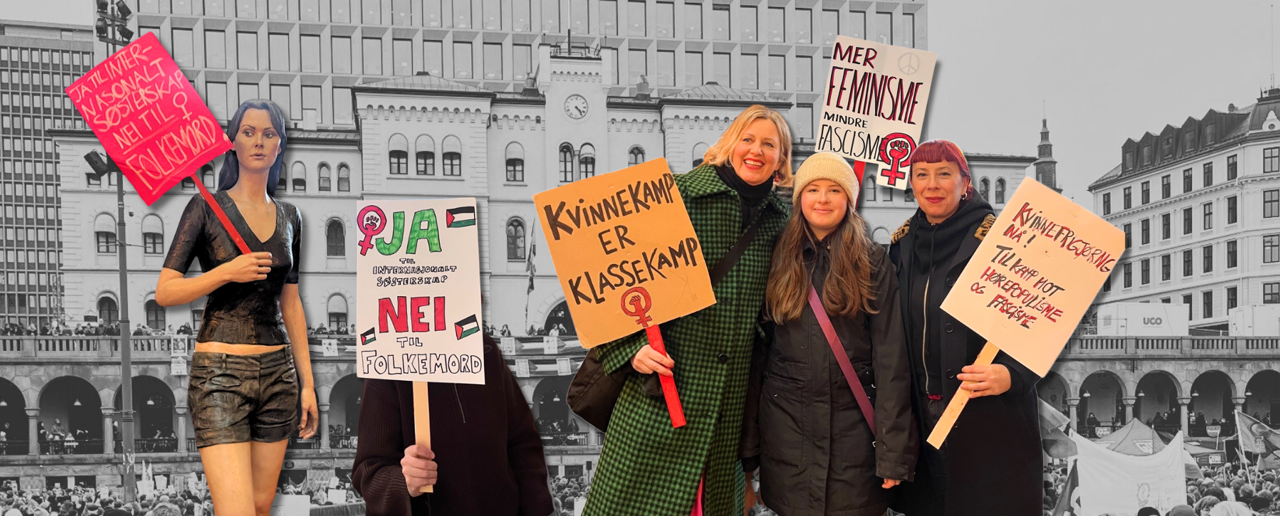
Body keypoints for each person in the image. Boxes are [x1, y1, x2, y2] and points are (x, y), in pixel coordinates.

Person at [583, 104, 793, 515]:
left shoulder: (779, 222)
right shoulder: (675, 195)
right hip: (660, 394)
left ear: (780, 160)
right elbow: (603, 280)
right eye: (748, 139)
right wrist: (630, 349)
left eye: (769, 144)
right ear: (729, 145)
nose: (756, 151)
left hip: (726, 409)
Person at [156, 99, 318, 516]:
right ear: (232, 142)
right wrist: (226, 271)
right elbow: (166, 292)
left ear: (280, 145)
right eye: (248, 132)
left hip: (279, 373)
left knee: (261, 507)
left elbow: (291, 303)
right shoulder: (204, 207)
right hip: (219, 373)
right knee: (237, 511)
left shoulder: (291, 217)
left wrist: (308, 383)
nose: (258, 141)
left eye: (269, 133)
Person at [754, 152, 915, 515]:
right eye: (812, 189)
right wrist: (750, 444)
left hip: (854, 443)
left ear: (849, 199)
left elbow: (891, 360)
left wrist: (893, 454)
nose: (823, 199)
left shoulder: (872, 260)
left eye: (834, 189)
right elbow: (759, 354)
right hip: (787, 440)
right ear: (800, 198)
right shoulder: (777, 256)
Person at [888, 140, 1042, 515]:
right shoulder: (901, 245)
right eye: (921, 175)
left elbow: (1042, 318)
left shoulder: (1002, 239)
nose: (932, 184)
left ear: (965, 182)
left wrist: (1014, 373)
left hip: (987, 417)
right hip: (922, 418)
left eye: (944, 173)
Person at [351, 334, 554, 515]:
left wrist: (540, 509)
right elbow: (367, 470)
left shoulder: (486, 350)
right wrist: (403, 482)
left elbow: (522, 443)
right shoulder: (387, 361)